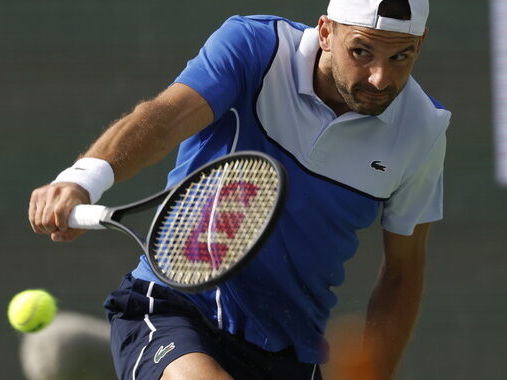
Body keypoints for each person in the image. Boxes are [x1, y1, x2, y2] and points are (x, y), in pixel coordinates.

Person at [28, 0, 451, 379]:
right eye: (361, 51)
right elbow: (164, 120)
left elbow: (402, 272)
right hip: (178, 308)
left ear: (422, 42)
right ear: (325, 32)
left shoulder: (423, 130)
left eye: (401, 56)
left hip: (290, 351)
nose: (380, 78)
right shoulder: (255, 47)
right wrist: (84, 177)